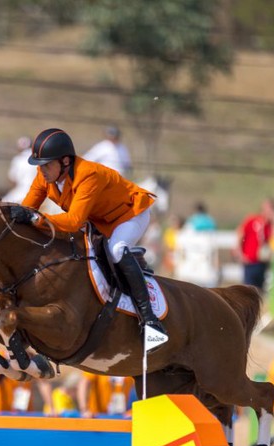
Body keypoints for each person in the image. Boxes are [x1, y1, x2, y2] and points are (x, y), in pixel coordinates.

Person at [11, 127, 166, 346]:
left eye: (46, 165)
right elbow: (28, 208)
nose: (42, 171)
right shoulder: (45, 176)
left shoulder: (88, 175)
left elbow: (73, 221)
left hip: (129, 214)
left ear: (65, 161)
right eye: (39, 165)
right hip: (99, 220)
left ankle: (150, 321)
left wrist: (36, 220)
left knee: (116, 250)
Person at [235, 197, 274, 291]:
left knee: (259, 291)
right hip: (250, 261)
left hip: (262, 262)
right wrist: (239, 252)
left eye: (270, 209)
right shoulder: (253, 219)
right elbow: (240, 233)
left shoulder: (270, 226)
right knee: (248, 291)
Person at [2, 136, 37, 204]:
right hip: (39, 190)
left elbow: (12, 179)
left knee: (3, 204)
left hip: (21, 191)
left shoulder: (17, 160)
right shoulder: (38, 159)